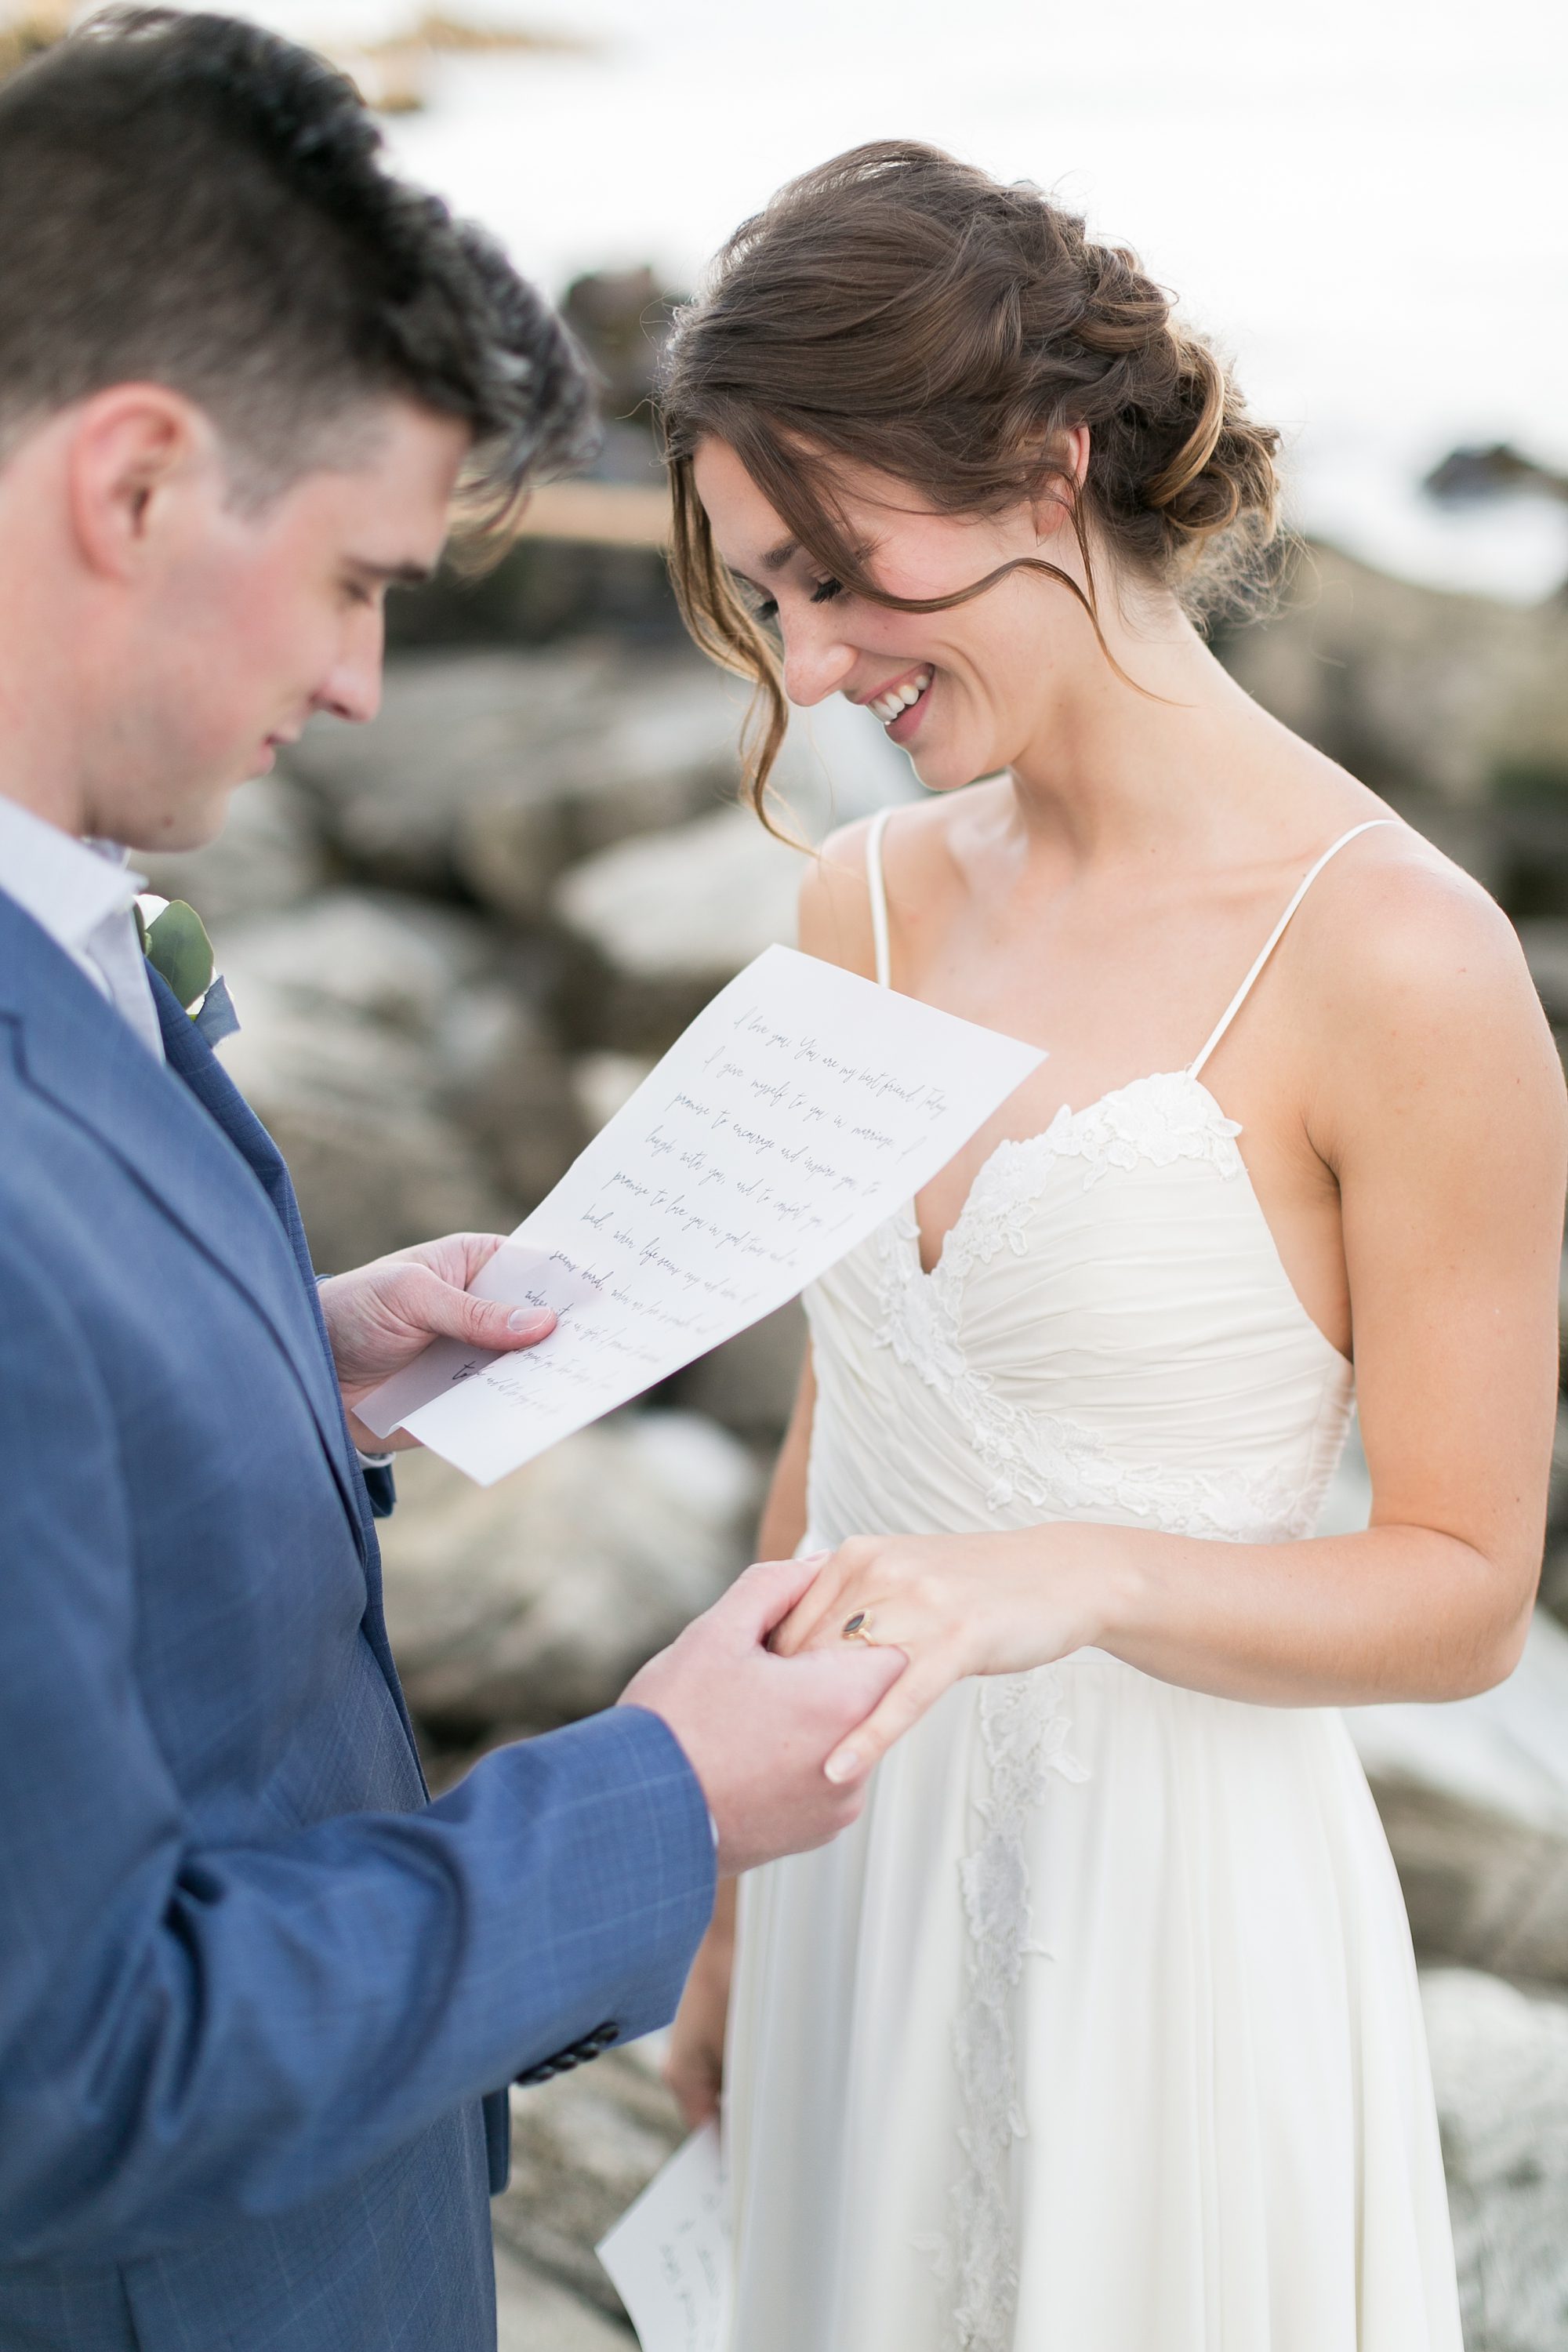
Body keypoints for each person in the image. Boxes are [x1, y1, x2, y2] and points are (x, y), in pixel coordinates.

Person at [0, 22, 905, 2351]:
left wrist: (285, 1368)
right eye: (353, 580)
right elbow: (68, 2071)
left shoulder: (62, 926)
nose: (366, 687)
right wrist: (655, 1798)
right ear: (134, 481)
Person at [655, 142, 1566, 2350]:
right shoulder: (859, 909)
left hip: (1178, 1941)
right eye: (769, 601)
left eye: (841, 573)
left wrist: (1077, 1577)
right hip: (848, 1870)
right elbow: (843, 1428)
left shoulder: (1405, 961)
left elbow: (1463, 1595)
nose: (814, 662)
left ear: (1049, 464)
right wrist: (723, 1902)